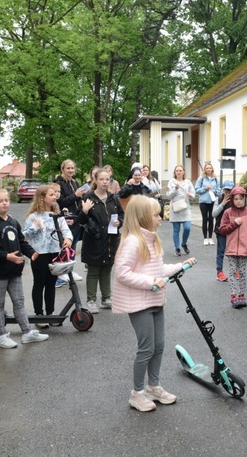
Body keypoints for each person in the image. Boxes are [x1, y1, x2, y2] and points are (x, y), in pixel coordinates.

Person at [112, 195, 196, 412]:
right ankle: (137, 393)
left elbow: (157, 271)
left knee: (158, 346)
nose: (160, 218)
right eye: (156, 214)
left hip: (155, 300)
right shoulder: (132, 242)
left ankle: (153, 387)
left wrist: (179, 266)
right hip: (140, 303)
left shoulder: (152, 239)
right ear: (142, 217)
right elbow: (122, 273)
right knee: (146, 348)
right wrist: (151, 283)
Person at [0, 189, 49, 348]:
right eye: (0, 201)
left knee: (19, 302)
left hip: (14, 271)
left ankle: (27, 333)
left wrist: (31, 253)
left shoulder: (12, 222)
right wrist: (6, 256)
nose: (5, 203)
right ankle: (1, 336)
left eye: (7, 200)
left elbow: (21, 242)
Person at [23, 185, 73, 322]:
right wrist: (34, 228)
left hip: (55, 253)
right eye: (51, 195)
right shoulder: (33, 217)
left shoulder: (57, 216)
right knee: (39, 283)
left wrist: (68, 239)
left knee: (51, 284)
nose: (55, 196)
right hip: (39, 255)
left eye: (55, 194)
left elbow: (66, 230)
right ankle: (39, 314)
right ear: (42, 198)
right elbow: (24, 237)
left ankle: (50, 314)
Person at [77, 168, 124, 314]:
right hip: (94, 240)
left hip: (110, 240)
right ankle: (91, 300)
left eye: (107, 179)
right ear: (95, 180)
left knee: (107, 269)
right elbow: (80, 222)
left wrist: (119, 222)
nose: (105, 182)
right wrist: (84, 211)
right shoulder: (88, 198)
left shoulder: (113, 198)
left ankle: (106, 298)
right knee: (94, 270)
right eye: (102, 179)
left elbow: (121, 215)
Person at [218, 186, 247, 308]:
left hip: (244, 249)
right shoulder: (227, 212)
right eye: (236, 199)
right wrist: (234, 223)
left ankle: (241, 295)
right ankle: (233, 295)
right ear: (232, 200)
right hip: (231, 249)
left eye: (241, 198)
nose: (239, 201)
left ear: (245, 198)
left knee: (242, 272)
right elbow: (222, 230)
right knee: (232, 272)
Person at [55, 159, 84, 261]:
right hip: (66, 220)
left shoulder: (75, 182)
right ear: (62, 169)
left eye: (72, 168)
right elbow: (60, 202)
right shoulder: (58, 184)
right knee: (65, 248)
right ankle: (64, 272)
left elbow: (79, 201)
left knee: (73, 248)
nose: (71, 170)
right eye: (68, 168)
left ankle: (70, 271)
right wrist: (75, 195)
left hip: (76, 220)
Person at [167, 165, 195, 256]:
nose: (178, 172)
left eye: (180, 170)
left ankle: (184, 243)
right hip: (176, 208)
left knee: (187, 227)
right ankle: (177, 248)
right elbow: (168, 196)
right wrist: (175, 189)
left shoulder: (188, 182)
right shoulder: (172, 182)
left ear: (183, 172)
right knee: (176, 229)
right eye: (177, 171)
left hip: (186, 208)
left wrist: (190, 194)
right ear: (175, 173)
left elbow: (193, 194)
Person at [213, 180, 235, 282]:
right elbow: (214, 214)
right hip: (221, 229)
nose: (228, 193)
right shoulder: (219, 199)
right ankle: (219, 272)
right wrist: (222, 204)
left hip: (233, 229)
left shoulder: (237, 199)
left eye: (230, 191)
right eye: (226, 191)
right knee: (221, 251)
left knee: (234, 251)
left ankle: (235, 270)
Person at [195, 162, 220, 245]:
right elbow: (197, 190)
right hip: (203, 201)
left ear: (212, 169)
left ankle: (210, 237)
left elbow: (219, 191)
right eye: (207, 168)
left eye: (210, 168)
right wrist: (205, 188)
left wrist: (214, 191)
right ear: (205, 170)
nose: (209, 169)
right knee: (205, 219)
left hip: (213, 201)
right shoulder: (201, 179)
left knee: (211, 219)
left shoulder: (216, 179)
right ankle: (205, 238)